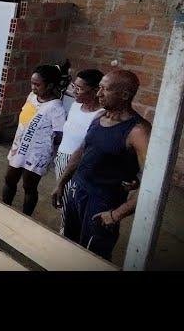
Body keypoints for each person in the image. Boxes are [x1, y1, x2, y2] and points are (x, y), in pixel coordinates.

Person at [51, 70, 151, 261]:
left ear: (125, 94)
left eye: (105, 89)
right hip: (77, 191)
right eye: (99, 89)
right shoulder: (100, 118)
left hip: (103, 202)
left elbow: (152, 184)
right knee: (68, 246)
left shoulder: (138, 131)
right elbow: (81, 151)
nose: (98, 94)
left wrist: (116, 214)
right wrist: (62, 182)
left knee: (92, 256)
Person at [3, 63, 68, 216]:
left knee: (29, 186)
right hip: (20, 147)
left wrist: (43, 143)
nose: (33, 87)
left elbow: (59, 135)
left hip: (37, 154)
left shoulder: (56, 108)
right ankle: (4, 208)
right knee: (9, 179)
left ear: (50, 85)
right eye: (32, 83)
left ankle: (26, 218)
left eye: (37, 84)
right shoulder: (32, 97)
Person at [54, 69, 105, 234]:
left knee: (71, 206)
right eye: (73, 86)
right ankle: (65, 231)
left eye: (80, 88)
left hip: (79, 164)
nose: (74, 91)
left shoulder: (100, 115)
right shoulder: (75, 106)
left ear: (96, 90)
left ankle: (67, 237)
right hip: (62, 158)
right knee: (63, 202)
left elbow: (87, 148)